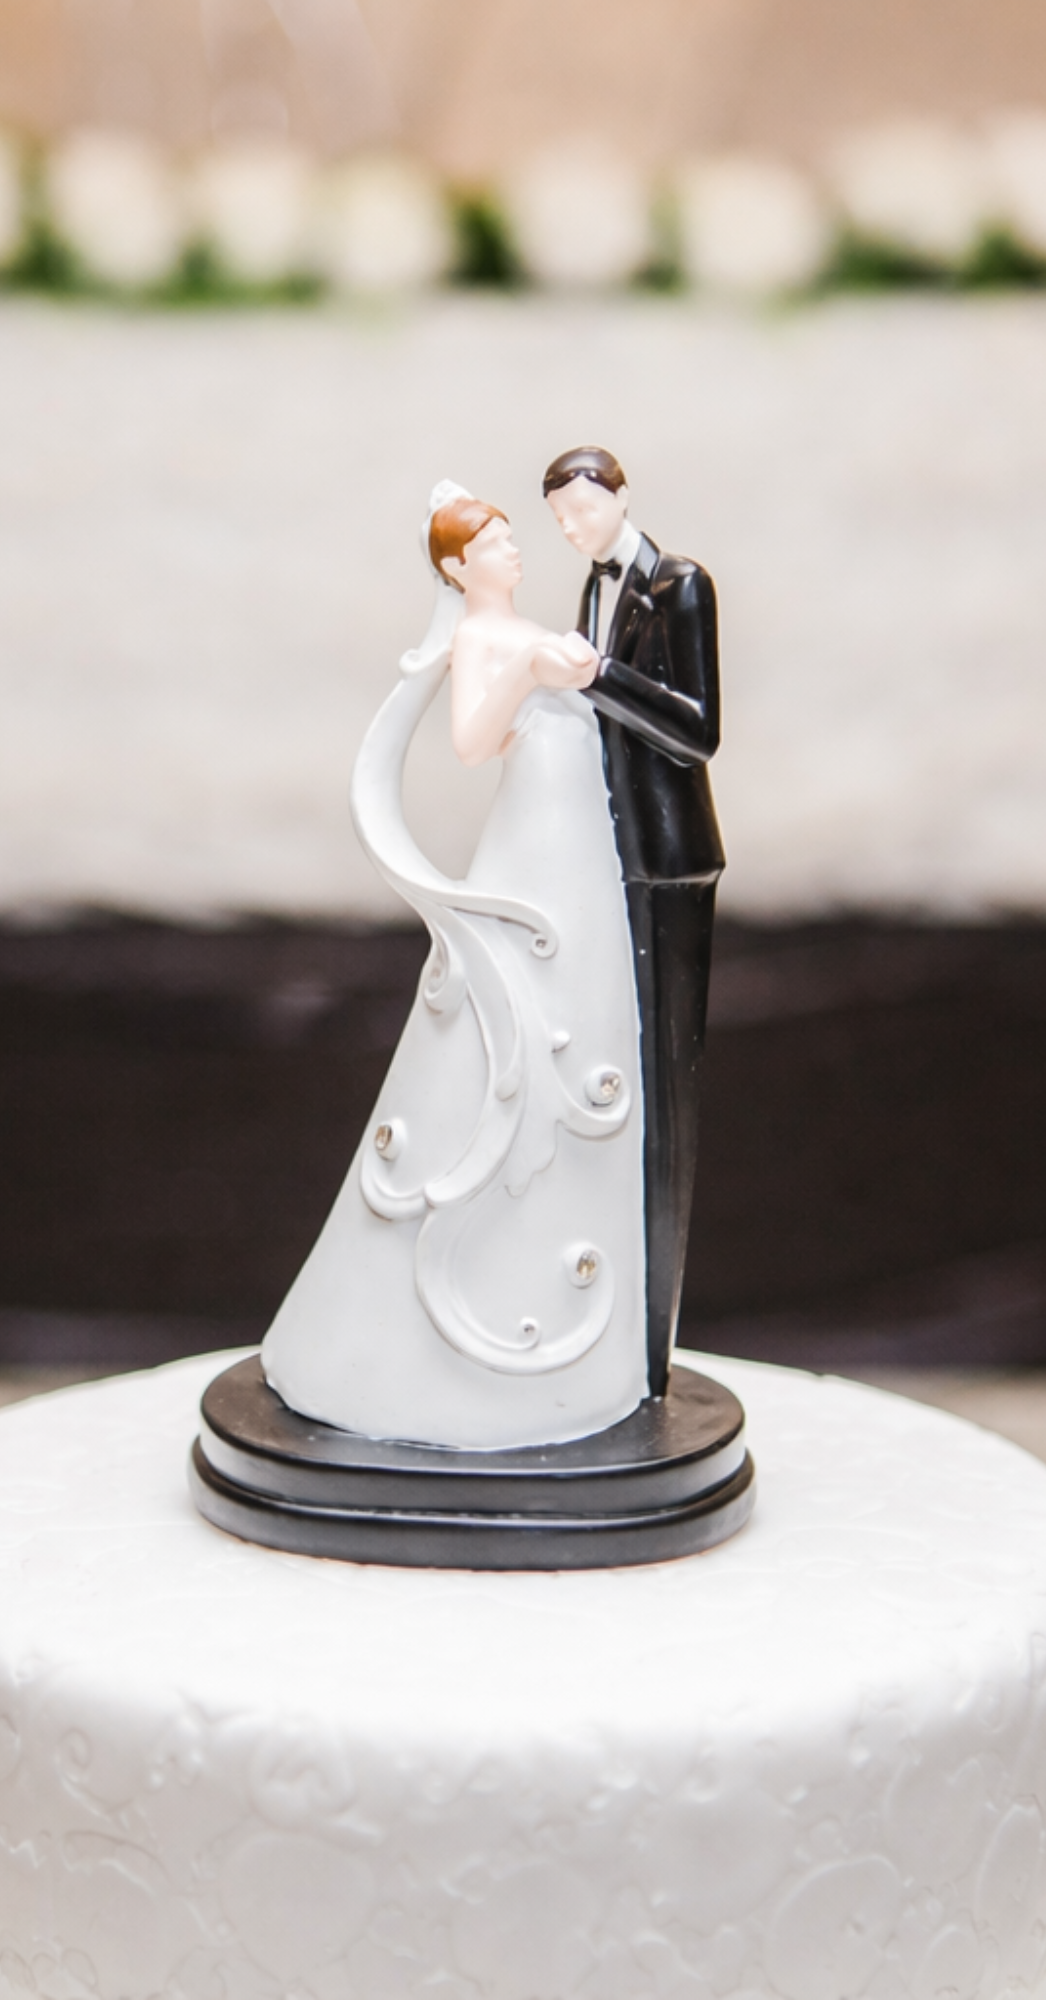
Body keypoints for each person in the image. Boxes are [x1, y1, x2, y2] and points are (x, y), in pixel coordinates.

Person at [260, 485, 654, 1450]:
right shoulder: (486, 639)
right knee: (512, 1016)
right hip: (535, 844)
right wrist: (531, 670)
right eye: (494, 544)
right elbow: (474, 742)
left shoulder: (523, 626)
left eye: (512, 538)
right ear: (456, 569)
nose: (513, 552)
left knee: (581, 1021)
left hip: (576, 844)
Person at [542, 446, 723, 1399]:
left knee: (666, 1077)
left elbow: (696, 728)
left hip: (668, 853)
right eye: (560, 521)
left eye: (582, 511)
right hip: (604, 849)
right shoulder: (591, 587)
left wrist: (600, 675)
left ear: (617, 497)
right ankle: (616, 1338)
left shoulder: (679, 585)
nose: (573, 530)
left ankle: (654, 1352)